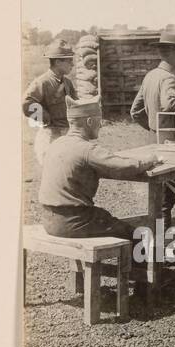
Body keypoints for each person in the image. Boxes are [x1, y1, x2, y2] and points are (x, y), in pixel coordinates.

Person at [38, 96, 159, 242]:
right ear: (89, 122)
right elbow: (123, 167)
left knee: (105, 217)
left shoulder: (56, 144)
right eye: (98, 121)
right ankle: (148, 263)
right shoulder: (87, 149)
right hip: (73, 221)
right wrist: (149, 160)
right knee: (136, 235)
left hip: (48, 219)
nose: (100, 125)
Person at [130, 26, 175, 226]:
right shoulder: (169, 78)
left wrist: (155, 130)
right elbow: (169, 103)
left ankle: (160, 250)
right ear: (168, 53)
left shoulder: (151, 76)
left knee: (164, 200)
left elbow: (135, 112)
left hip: (158, 148)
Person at [21, 39, 77, 165]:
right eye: (69, 61)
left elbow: (75, 104)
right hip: (50, 136)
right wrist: (45, 118)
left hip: (68, 134)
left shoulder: (67, 83)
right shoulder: (42, 82)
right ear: (57, 62)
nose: (72, 64)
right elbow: (27, 103)